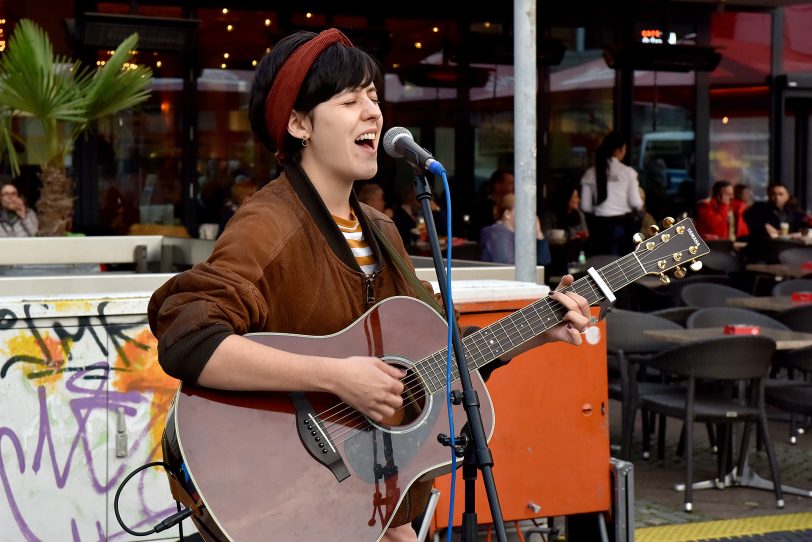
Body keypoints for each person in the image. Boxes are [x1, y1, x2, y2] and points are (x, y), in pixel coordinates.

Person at [147, 28, 591, 542]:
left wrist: (535, 330)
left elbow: (432, 359)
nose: (374, 113)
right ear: (298, 123)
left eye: (375, 98)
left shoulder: (379, 229)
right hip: (289, 501)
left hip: (368, 506)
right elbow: (188, 338)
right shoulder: (268, 225)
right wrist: (338, 377)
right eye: (350, 100)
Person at [580, 132, 643, 255]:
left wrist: (600, 209)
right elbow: (636, 203)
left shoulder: (590, 173)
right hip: (622, 225)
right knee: (620, 267)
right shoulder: (628, 172)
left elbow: (585, 206)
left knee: (600, 265)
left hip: (598, 227)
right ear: (619, 150)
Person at [480, 194, 551, 266]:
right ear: (507, 214)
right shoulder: (497, 234)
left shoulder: (520, 235)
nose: (529, 215)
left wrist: (538, 233)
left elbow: (544, 262)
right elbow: (509, 268)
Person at [470, 169, 514, 241]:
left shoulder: (510, 206)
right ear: (497, 186)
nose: (514, 187)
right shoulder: (483, 208)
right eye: (510, 183)